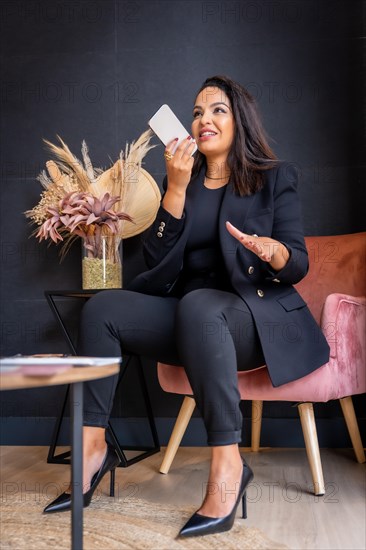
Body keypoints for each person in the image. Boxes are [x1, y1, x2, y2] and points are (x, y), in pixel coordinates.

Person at [43, 75, 330, 537]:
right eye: (196, 112)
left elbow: (296, 263)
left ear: (240, 121)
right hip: (193, 319)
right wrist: (174, 189)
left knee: (200, 306)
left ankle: (228, 466)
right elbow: (157, 260)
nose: (203, 120)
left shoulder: (274, 177)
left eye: (216, 110)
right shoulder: (181, 179)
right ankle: (94, 448)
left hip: (250, 321)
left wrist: (270, 250)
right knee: (102, 310)